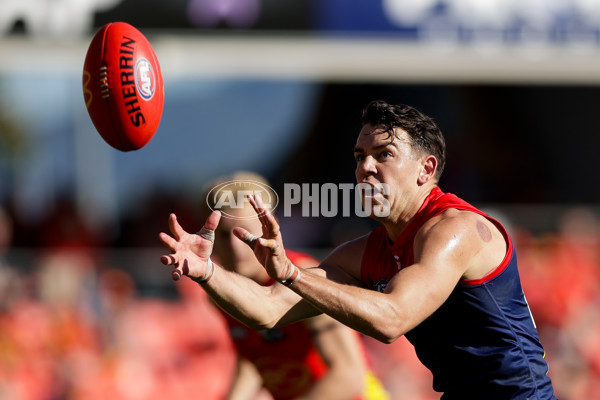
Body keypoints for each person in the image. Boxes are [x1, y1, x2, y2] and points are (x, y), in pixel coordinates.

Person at [160, 100, 557, 399]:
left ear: (426, 169)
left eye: (383, 155)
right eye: (359, 156)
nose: (366, 167)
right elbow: (267, 310)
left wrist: (293, 274)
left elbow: (392, 319)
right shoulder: (367, 251)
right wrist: (207, 271)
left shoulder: (456, 229)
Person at [200, 172, 389, 400]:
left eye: (243, 233)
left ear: (269, 226)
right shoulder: (221, 291)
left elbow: (349, 376)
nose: (234, 246)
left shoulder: (305, 280)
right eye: (222, 234)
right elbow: (255, 356)